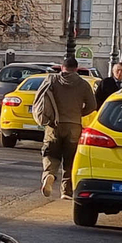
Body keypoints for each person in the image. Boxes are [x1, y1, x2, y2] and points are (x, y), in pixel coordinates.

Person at [35, 58, 98, 199]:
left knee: (50, 153)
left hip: (54, 124)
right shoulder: (83, 84)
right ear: (76, 69)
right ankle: (66, 191)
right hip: (74, 125)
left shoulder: (52, 80)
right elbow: (92, 105)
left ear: (62, 68)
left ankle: (49, 174)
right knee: (71, 158)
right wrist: (79, 113)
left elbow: (40, 99)